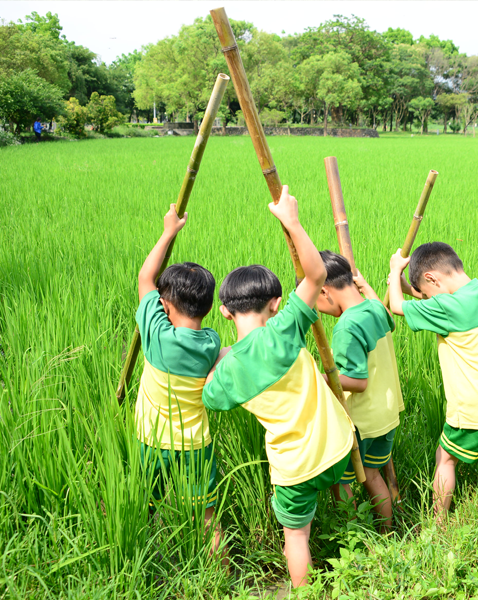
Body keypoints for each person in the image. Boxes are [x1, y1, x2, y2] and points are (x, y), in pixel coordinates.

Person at [202, 186, 354, 588]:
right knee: (343, 494)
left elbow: (210, 393)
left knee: (296, 537)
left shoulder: (228, 372)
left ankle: (303, 593)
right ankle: (358, 551)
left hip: (294, 468)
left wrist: (220, 354)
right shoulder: (286, 329)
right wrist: (291, 221)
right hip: (337, 445)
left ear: (224, 311)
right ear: (275, 301)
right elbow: (316, 274)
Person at [387, 242, 478, 522]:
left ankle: (438, 523)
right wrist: (407, 285)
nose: (427, 300)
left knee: (446, 457)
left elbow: (396, 307)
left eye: (427, 294)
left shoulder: (446, 307)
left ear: (432, 278)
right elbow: (429, 295)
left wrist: (395, 273)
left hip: (476, 406)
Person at [134, 204, 225, 558]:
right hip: (195, 446)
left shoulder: (156, 335)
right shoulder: (210, 343)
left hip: (151, 440)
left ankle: (148, 562)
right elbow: (151, 286)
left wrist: (169, 230)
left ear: (165, 304)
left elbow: (144, 278)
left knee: (147, 507)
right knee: (207, 517)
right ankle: (220, 574)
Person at [316, 250, 404, 532]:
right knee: (373, 474)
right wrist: (365, 286)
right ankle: (386, 531)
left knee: (341, 482)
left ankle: (353, 537)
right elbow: (388, 316)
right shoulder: (374, 308)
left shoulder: (347, 326)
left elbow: (356, 380)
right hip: (386, 415)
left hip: (361, 421)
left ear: (325, 291)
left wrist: (320, 378)